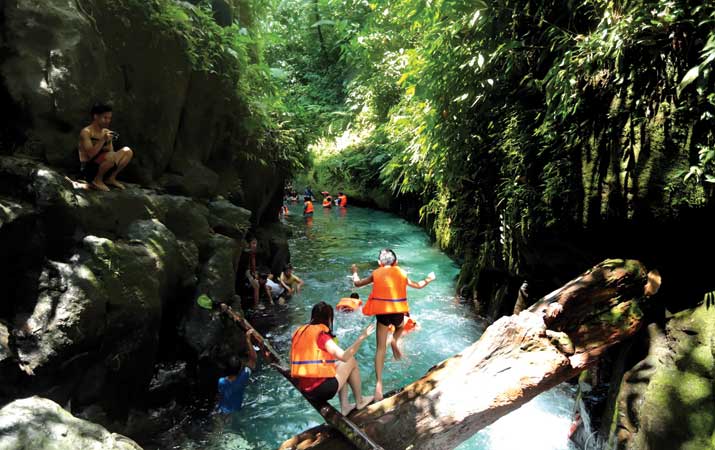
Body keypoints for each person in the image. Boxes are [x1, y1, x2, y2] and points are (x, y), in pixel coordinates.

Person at [351, 249, 436, 401]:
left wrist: (355, 271)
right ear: (396, 262)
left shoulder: (376, 273)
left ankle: (378, 384)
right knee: (401, 325)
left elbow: (357, 284)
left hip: (382, 314)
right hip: (397, 313)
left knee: (380, 348)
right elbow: (418, 285)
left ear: (379, 263)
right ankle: (395, 340)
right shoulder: (402, 273)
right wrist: (429, 279)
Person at [291, 302, 375, 415]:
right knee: (350, 361)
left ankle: (345, 406)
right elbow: (345, 356)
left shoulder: (300, 332)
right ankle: (359, 401)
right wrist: (362, 337)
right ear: (329, 318)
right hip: (319, 390)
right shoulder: (322, 336)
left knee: (339, 365)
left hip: (305, 387)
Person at [78, 102, 134, 191]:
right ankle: (97, 180)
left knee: (127, 151)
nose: (108, 120)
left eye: (109, 118)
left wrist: (108, 143)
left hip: (102, 164)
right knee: (111, 156)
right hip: (88, 168)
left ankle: (111, 178)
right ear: (96, 116)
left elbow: (111, 152)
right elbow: (90, 155)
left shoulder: (106, 131)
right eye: (105, 118)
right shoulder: (86, 132)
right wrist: (103, 140)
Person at [217, 329, 258, 414]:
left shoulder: (221, 381)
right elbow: (253, 359)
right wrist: (248, 340)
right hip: (236, 410)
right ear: (240, 369)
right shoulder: (243, 378)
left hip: (222, 410)